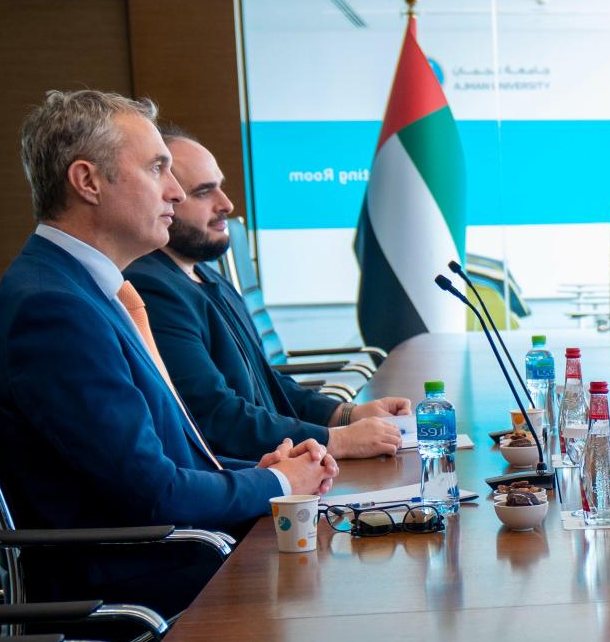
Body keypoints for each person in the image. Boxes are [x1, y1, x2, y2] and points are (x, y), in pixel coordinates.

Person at [0, 89, 335, 613]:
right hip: (141, 589)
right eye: (156, 169)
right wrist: (277, 481)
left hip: (175, 557)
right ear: (88, 182)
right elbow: (153, 494)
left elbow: (159, 459)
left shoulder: (87, 290)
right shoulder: (53, 310)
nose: (174, 191)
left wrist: (263, 469)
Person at [125, 126, 410, 461]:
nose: (226, 204)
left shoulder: (205, 274)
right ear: (165, 198)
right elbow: (216, 417)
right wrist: (339, 441)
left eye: (220, 187)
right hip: (248, 477)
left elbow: (264, 382)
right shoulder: (152, 289)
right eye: (203, 193)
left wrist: (347, 414)